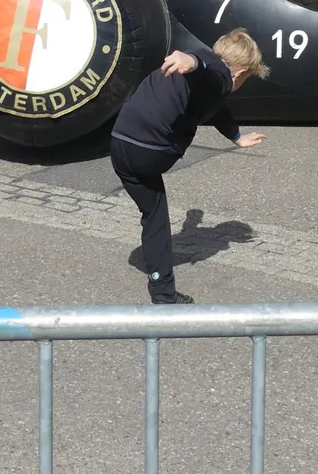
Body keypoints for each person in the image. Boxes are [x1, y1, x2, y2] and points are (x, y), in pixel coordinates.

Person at [111, 29, 269, 303]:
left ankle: (162, 288)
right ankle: (163, 297)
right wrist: (192, 62)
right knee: (155, 217)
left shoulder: (205, 77)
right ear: (241, 73)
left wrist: (237, 137)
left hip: (119, 143)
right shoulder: (216, 73)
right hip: (150, 151)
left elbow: (216, 105)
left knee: (154, 213)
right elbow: (209, 74)